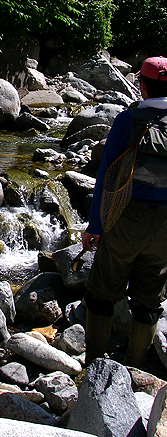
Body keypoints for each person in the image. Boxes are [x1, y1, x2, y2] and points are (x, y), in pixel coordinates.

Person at [82, 56, 167, 368]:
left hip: (125, 217)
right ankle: (133, 366)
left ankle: (94, 363)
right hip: (165, 228)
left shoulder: (128, 120)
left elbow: (106, 177)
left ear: (141, 84)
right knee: (149, 300)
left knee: (102, 292)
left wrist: (95, 225)